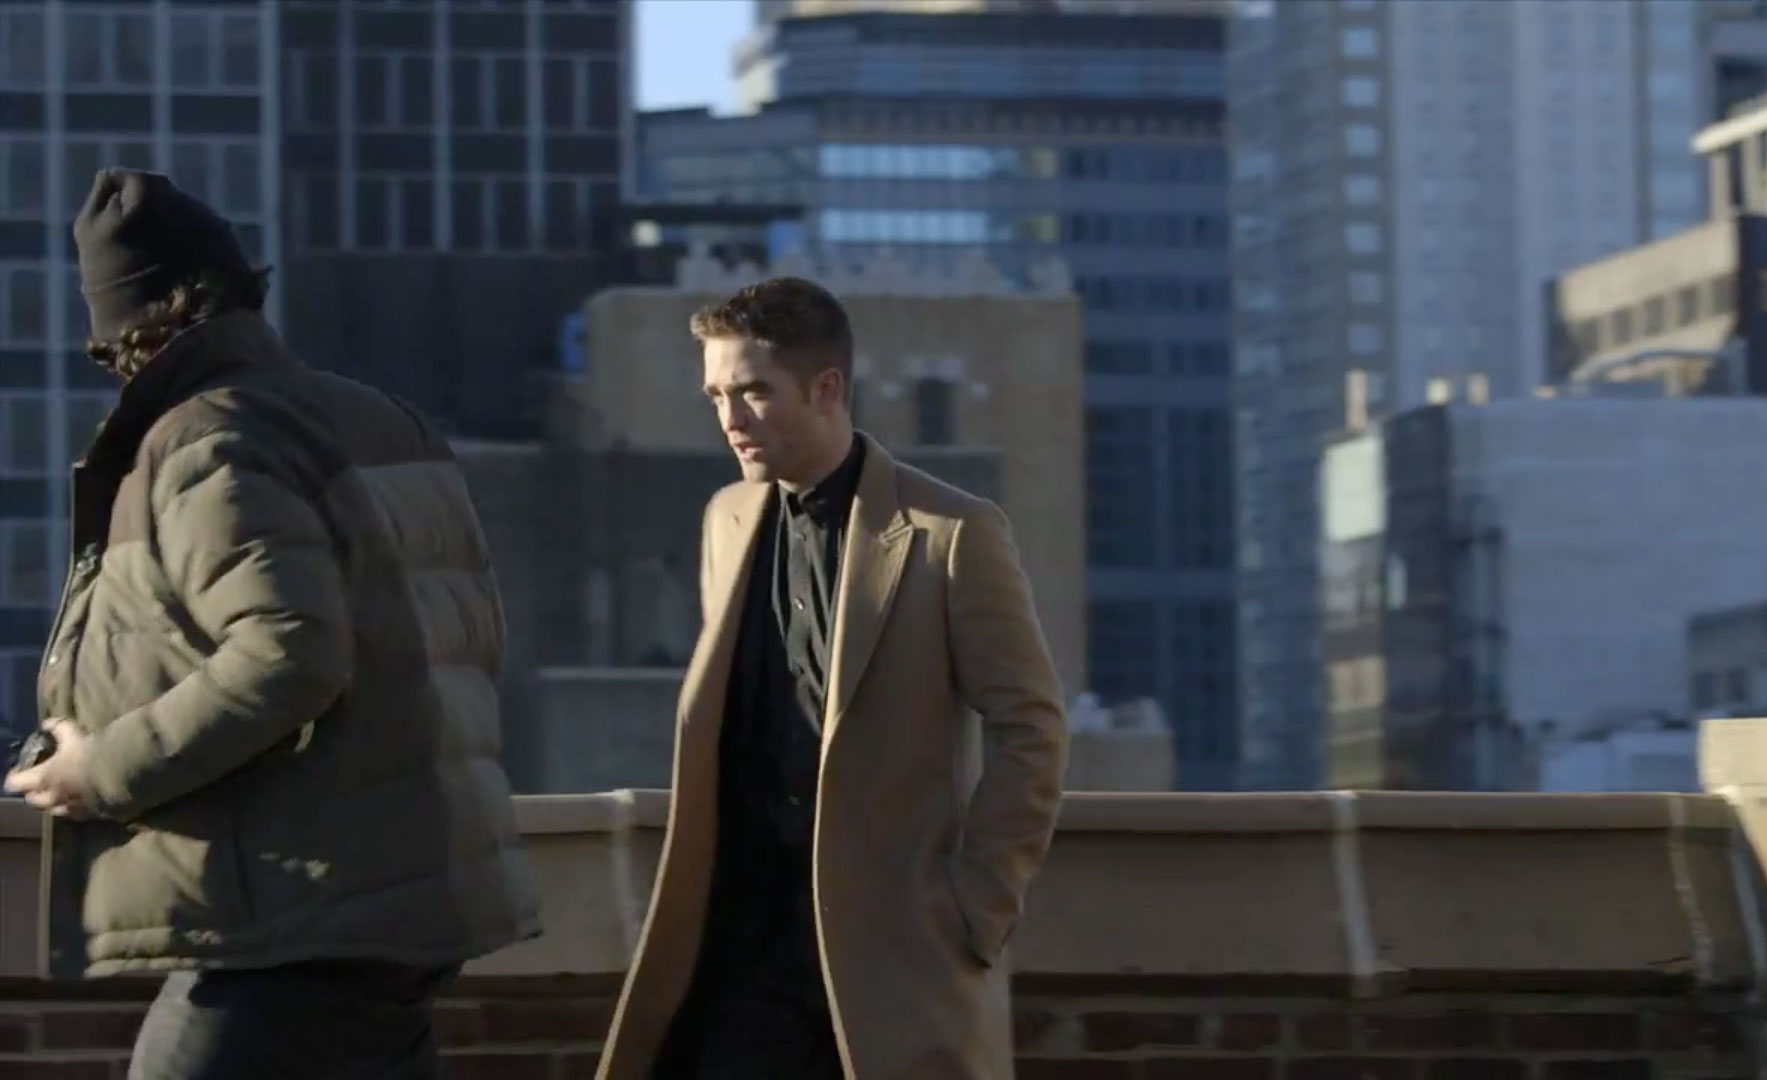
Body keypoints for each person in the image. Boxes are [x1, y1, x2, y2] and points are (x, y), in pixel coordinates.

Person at [3, 168, 542, 1079]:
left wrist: (102, 769)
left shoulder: (208, 438)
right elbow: (461, 638)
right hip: (409, 894)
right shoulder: (383, 419)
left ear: (132, 331)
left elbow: (290, 654)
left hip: (298, 912)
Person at [595, 277, 1070, 1079]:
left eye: (753, 392)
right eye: (716, 396)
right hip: (738, 950)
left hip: (889, 959)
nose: (730, 420)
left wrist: (976, 908)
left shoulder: (950, 533)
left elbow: (1031, 726)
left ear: (827, 389)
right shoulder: (727, 520)